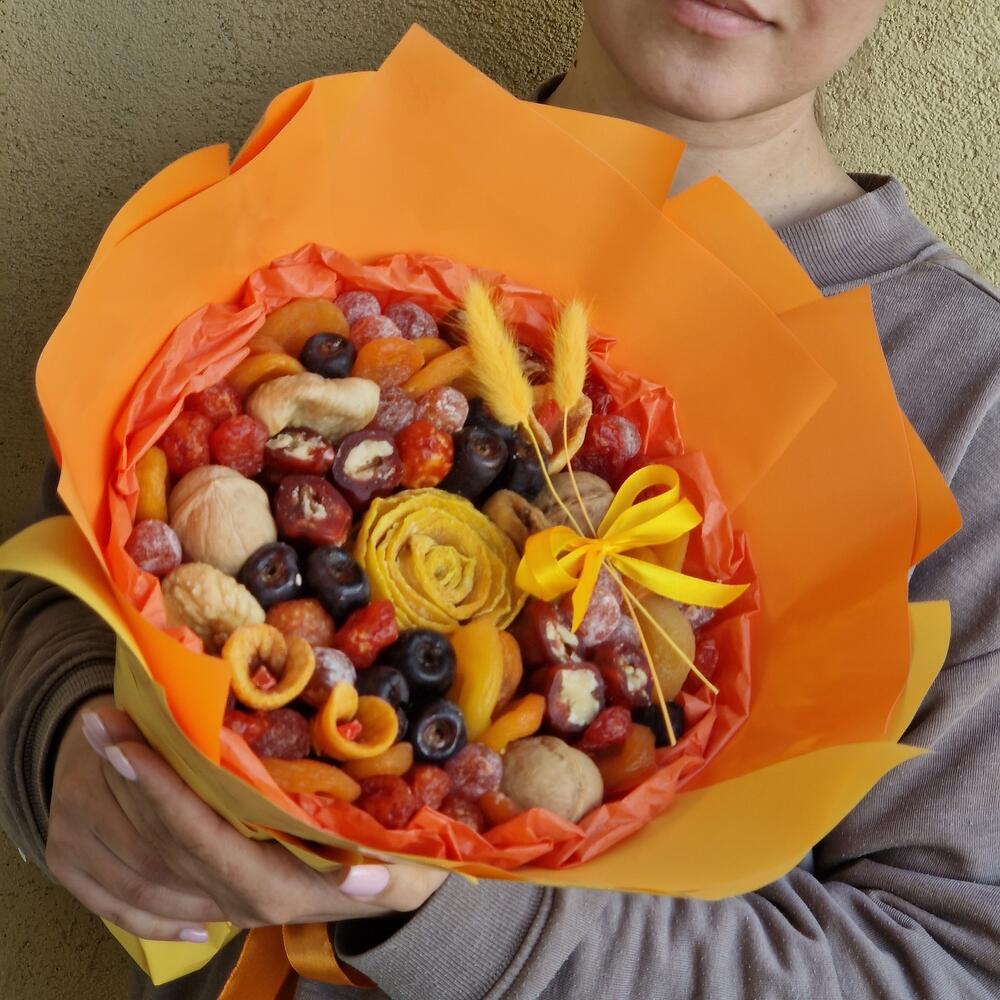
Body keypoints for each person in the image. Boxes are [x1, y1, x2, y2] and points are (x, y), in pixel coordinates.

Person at [2, 1, 998, 997]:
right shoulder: (326, 201)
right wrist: (64, 738)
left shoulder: (966, 401)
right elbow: (68, 588)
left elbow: (947, 968)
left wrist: (456, 910)